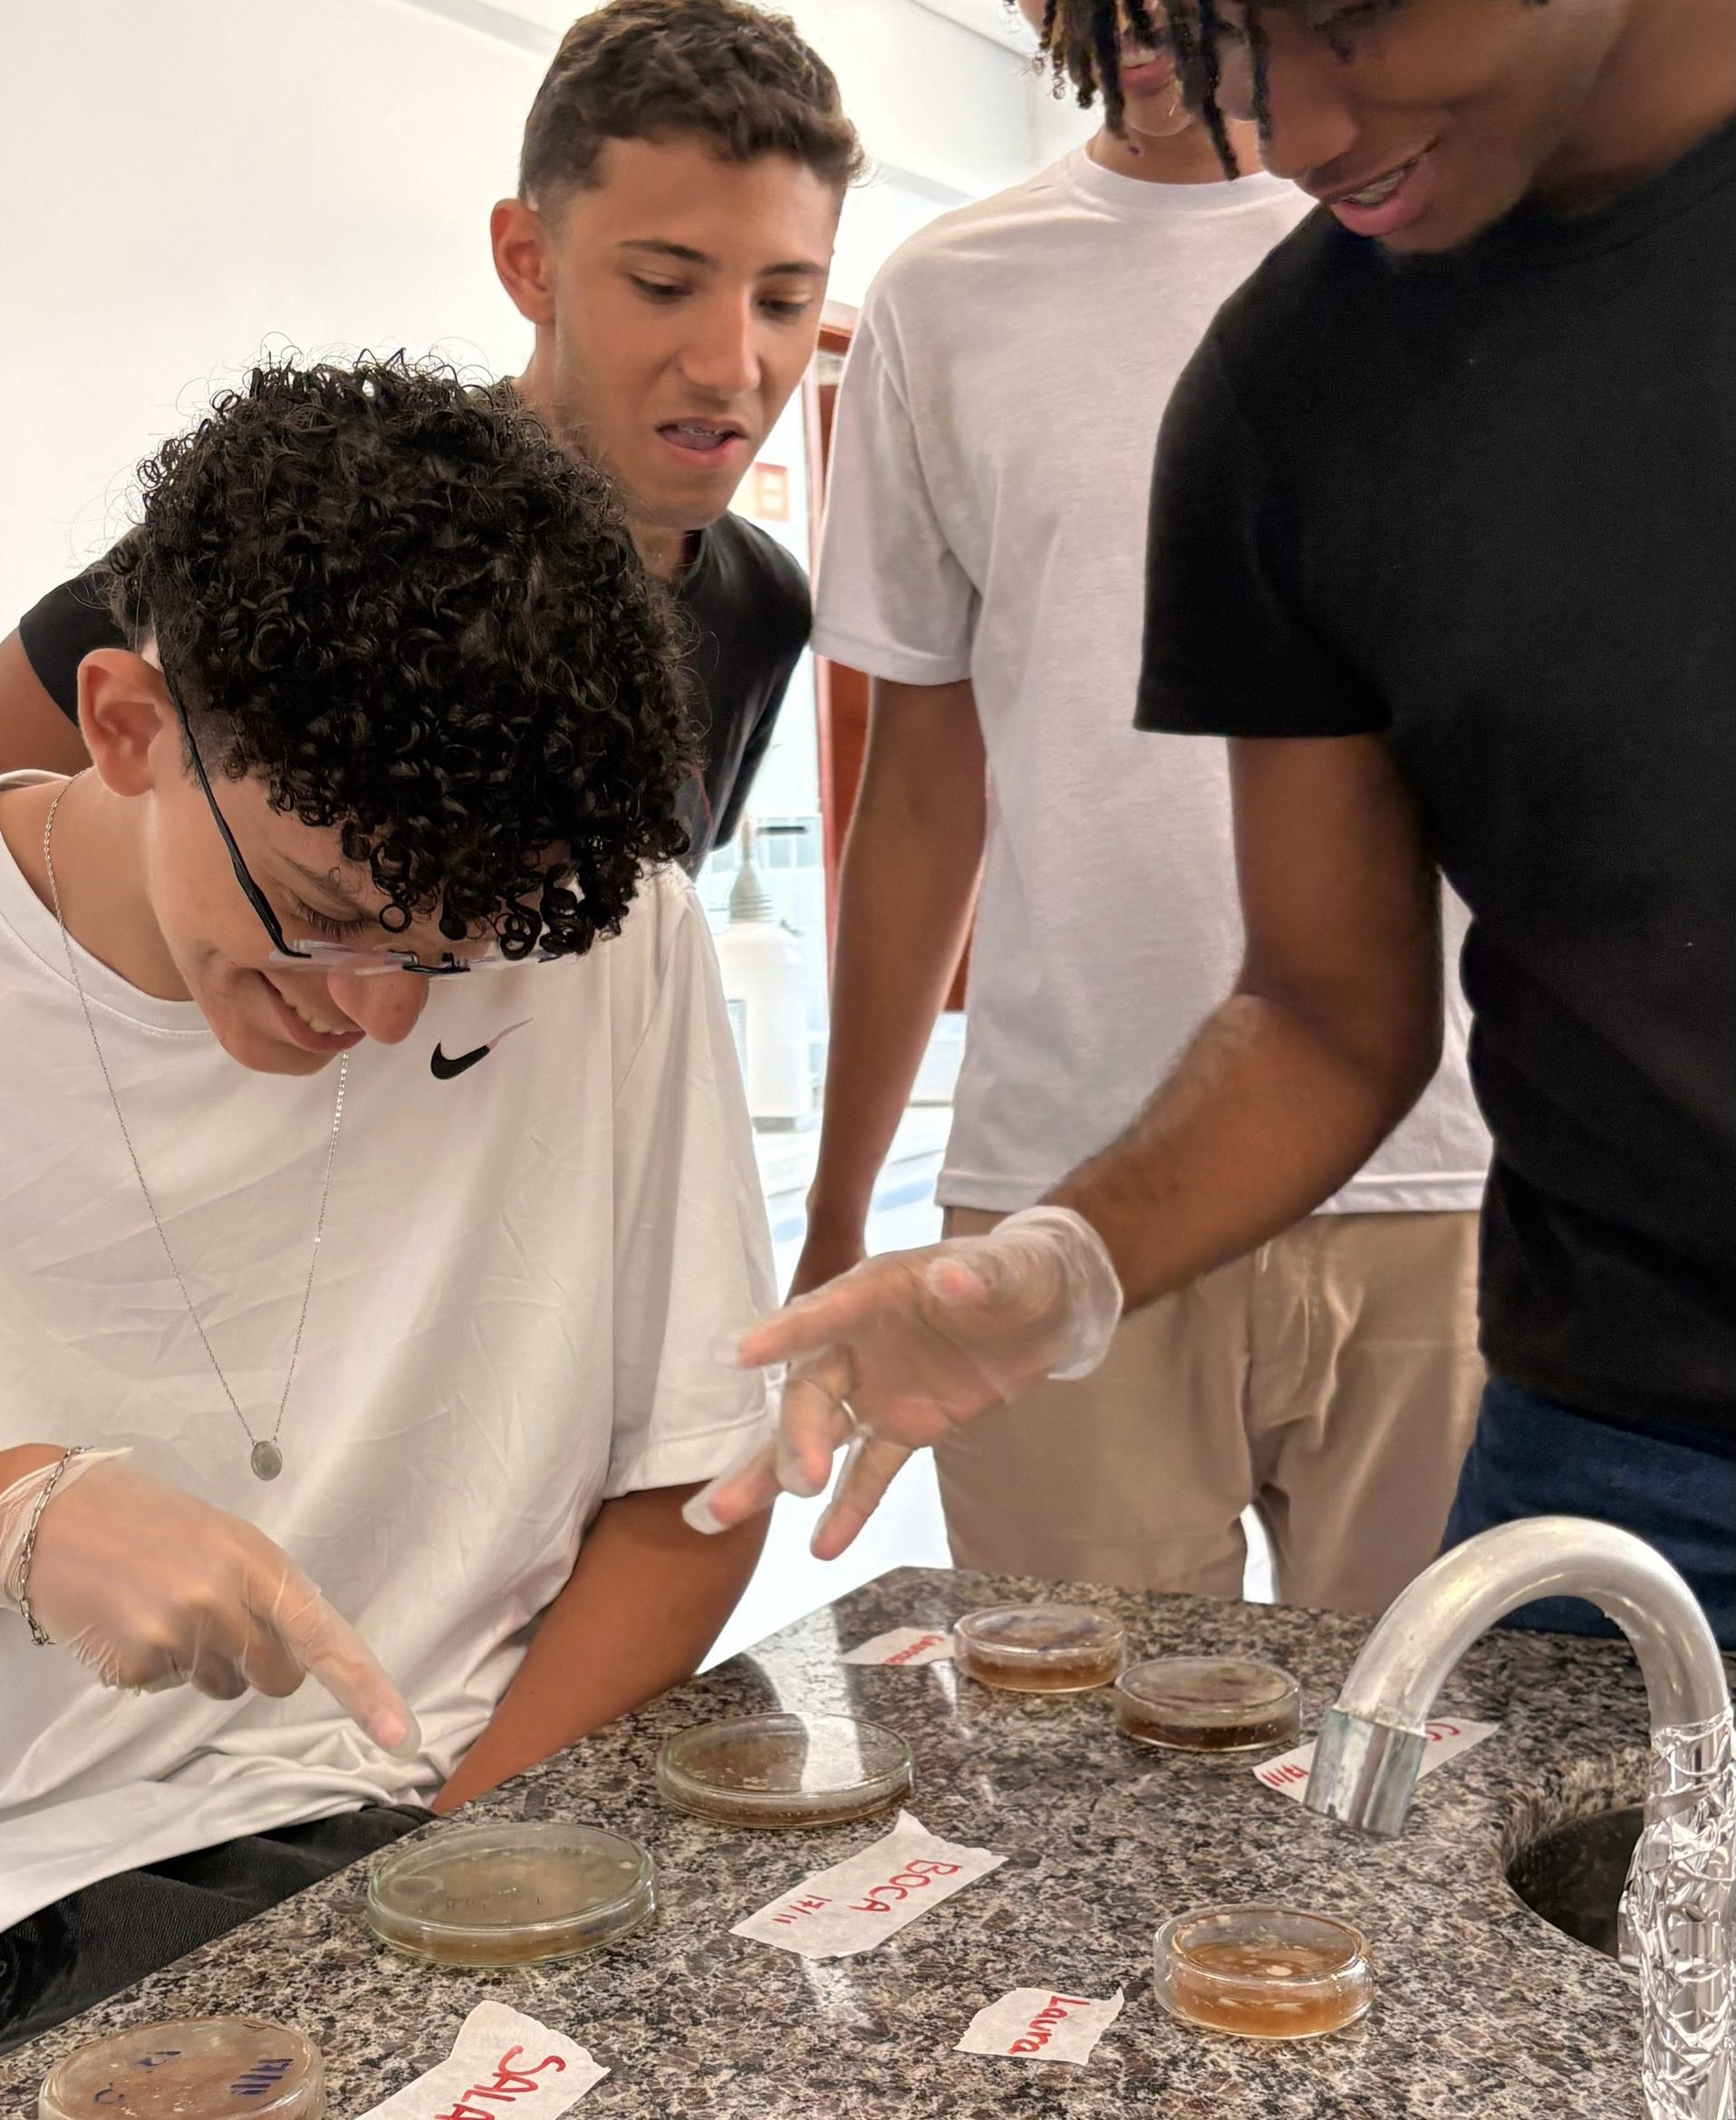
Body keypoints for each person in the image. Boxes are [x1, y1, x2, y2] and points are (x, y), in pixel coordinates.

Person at [0, 357, 777, 2119]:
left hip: (438, 1816)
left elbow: (692, 1495)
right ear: (128, 727)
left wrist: (442, 1894)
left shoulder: (616, 947)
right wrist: (11, 1523)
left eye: (458, 952)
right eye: (324, 923)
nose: (386, 1015)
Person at [692, 0, 1736, 1648]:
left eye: (1336, 22)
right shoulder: (1294, 381)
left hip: (1458, 1240)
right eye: (1227, 43)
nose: (1293, 130)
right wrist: (1058, 1268)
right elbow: (1327, 1005)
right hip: (1612, 1417)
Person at [792, 0, 1489, 1610]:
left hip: (1439, 1172)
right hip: (1062, 1172)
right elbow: (918, 795)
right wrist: (841, 1204)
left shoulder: (1449, 239)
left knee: (1438, 1813)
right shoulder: (946, 296)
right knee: (1082, 1788)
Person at [0, 0, 861, 873]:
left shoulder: (767, 607)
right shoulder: (327, 509)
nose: (733, 364)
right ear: (530, 262)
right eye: (663, 284)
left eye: (784, 300)